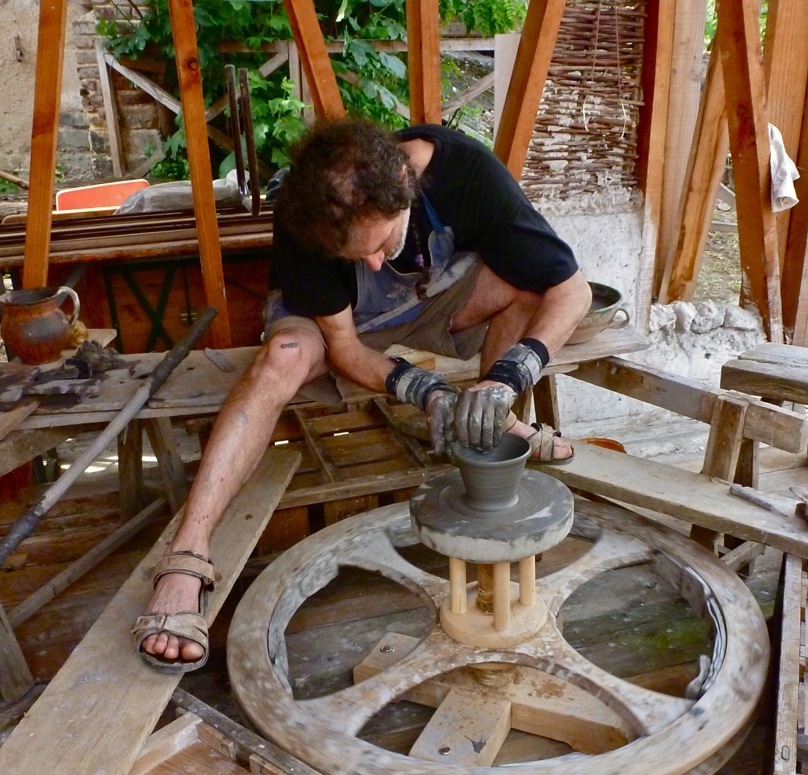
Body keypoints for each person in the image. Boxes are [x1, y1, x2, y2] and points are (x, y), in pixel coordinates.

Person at [132, 117, 591, 672]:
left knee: (531, 288)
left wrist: (507, 378)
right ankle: (187, 557)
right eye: (358, 254)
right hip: (336, 327)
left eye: (378, 243)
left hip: (432, 301)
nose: (374, 263)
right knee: (279, 361)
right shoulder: (308, 216)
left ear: (406, 183)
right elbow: (347, 350)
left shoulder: (467, 172)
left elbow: (573, 288)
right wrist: (426, 391)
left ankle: (497, 418)